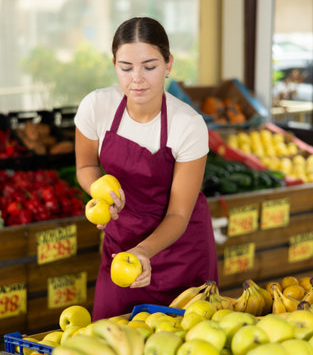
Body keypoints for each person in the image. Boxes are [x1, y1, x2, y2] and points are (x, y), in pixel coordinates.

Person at [74, 16, 218, 320]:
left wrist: (144, 252)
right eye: (126, 68)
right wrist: (100, 191)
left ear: (169, 64)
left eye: (149, 67)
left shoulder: (187, 125)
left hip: (181, 249)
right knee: (110, 337)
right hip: (121, 247)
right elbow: (86, 166)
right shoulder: (96, 107)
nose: (136, 79)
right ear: (114, 64)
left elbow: (179, 214)